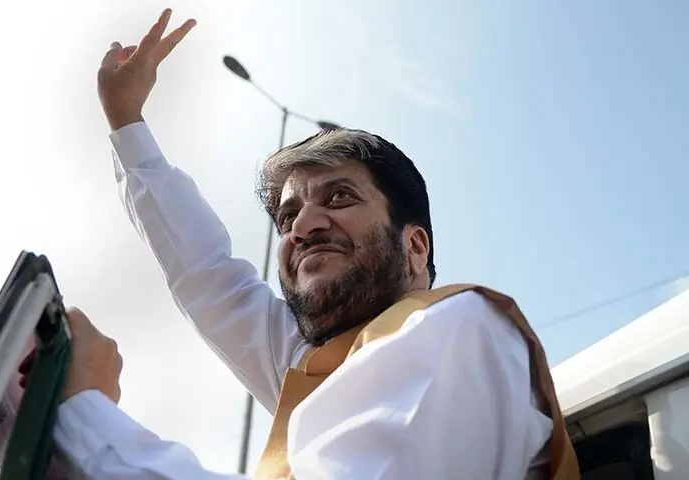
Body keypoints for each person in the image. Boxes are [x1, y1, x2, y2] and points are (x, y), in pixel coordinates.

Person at [50, 8, 580, 479]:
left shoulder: (456, 329)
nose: (302, 226)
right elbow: (208, 274)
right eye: (287, 216)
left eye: (341, 197)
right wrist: (126, 121)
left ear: (415, 248)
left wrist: (85, 416)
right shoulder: (317, 361)